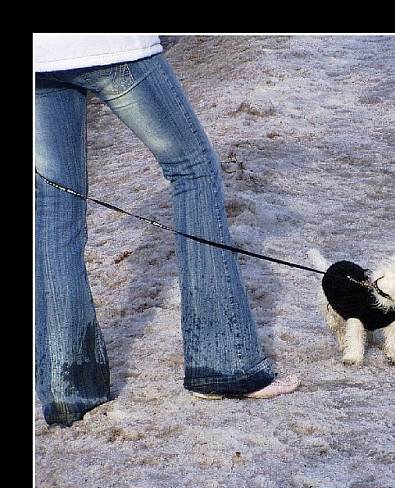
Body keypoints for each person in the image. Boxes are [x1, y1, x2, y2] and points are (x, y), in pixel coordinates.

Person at [35, 34, 299, 427]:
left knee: (56, 203)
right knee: (193, 169)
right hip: (107, 47)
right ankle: (223, 362)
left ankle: (68, 389)